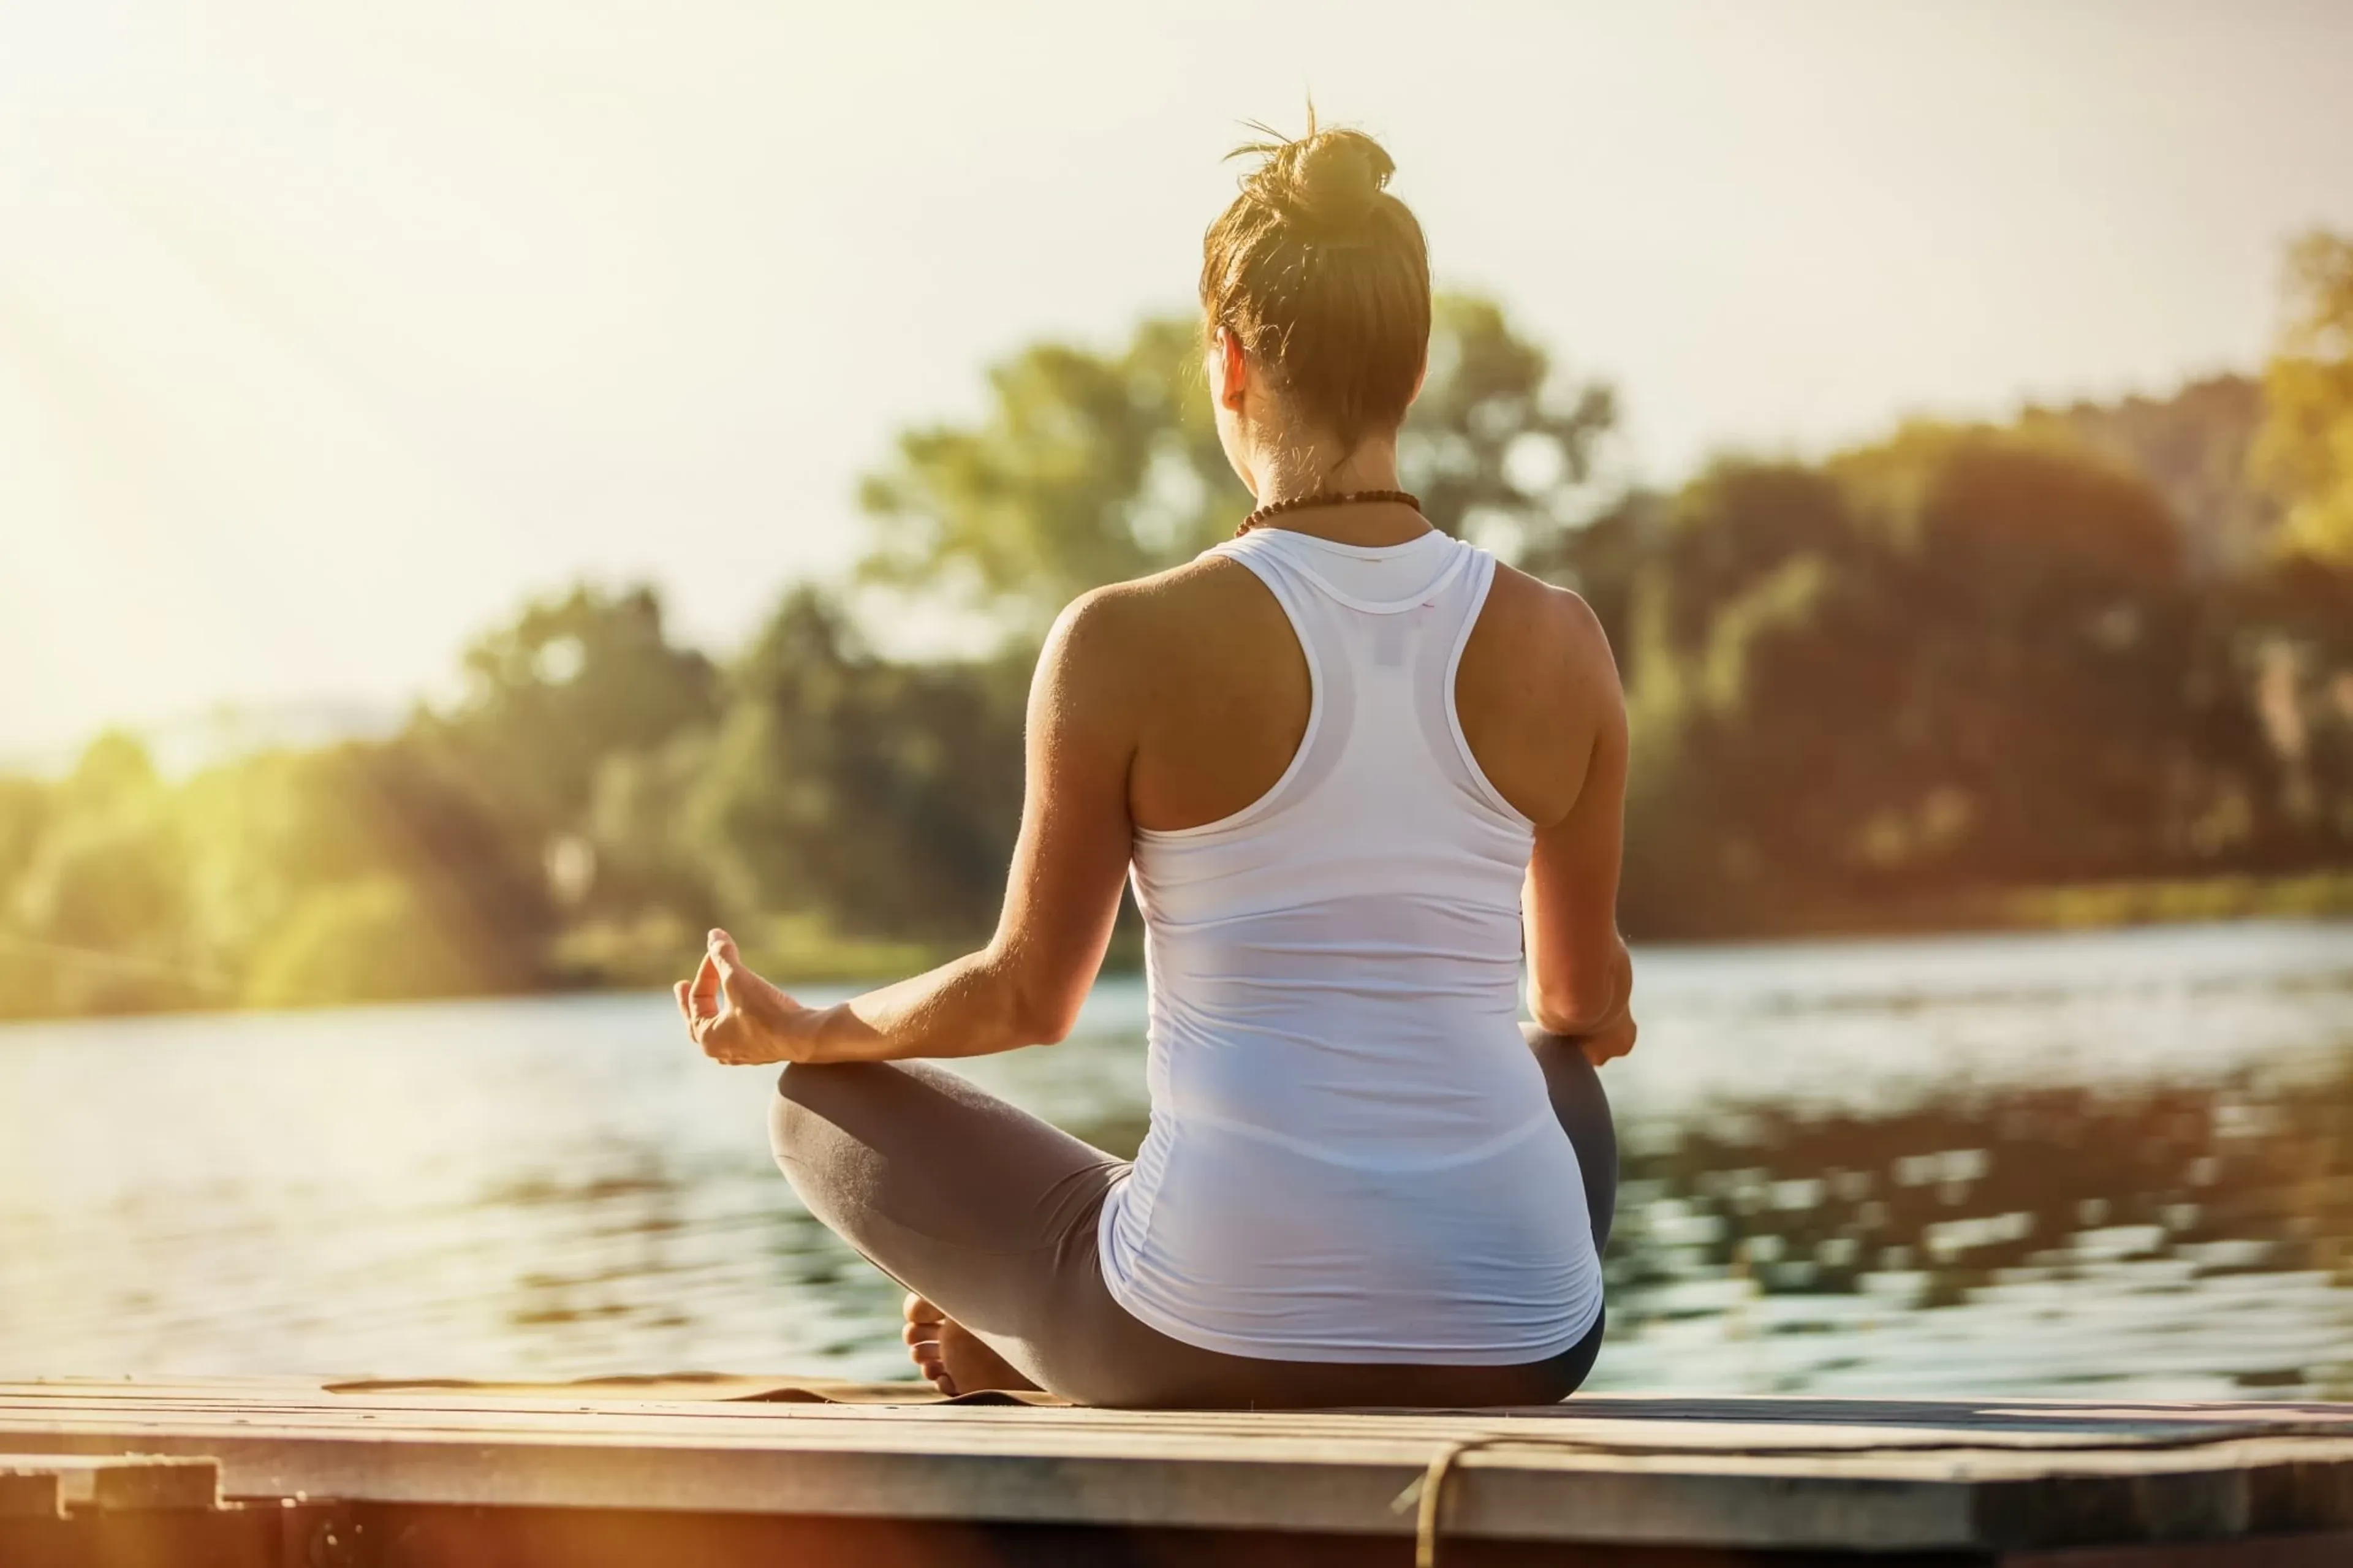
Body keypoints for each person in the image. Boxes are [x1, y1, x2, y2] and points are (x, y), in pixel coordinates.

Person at [675, 117, 1635, 1409]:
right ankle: (1136, 1288)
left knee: (814, 1105)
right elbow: (1579, 1006)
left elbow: (1027, 998)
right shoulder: (1565, 643)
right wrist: (1587, 1012)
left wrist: (809, 1025)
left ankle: (1031, 1334)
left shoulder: (1121, 641)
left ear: (1229, 366)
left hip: (1200, 1339)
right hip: (1527, 1342)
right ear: (1414, 376)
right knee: (1556, 1070)